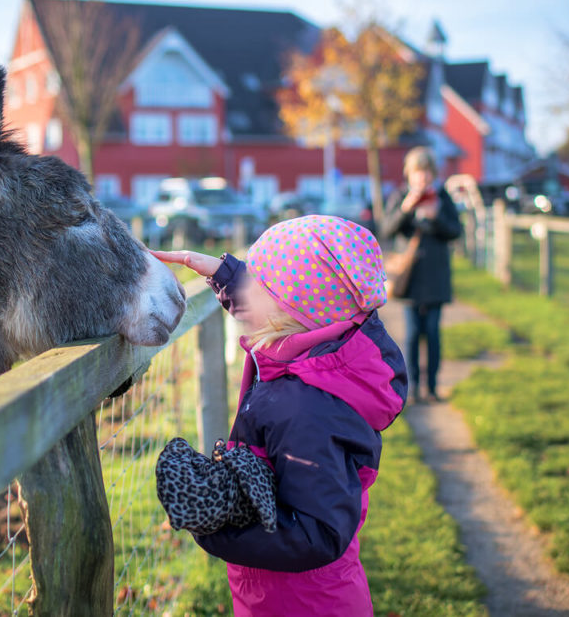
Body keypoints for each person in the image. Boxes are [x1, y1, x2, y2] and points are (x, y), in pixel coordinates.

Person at [153, 214, 408, 617]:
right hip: (290, 592)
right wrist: (226, 275)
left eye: (257, 285)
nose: (248, 293)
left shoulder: (304, 407)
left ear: (287, 312)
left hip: (302, 603)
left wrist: (217, 528)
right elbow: (296, 303)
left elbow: (317, 533)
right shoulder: (314, 357)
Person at [380, 146, 462, 403]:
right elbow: (386, 230)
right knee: (413, 334)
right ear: (409, 174)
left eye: (427, 173)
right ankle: (413, 387)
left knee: (434, 334)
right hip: (410, 279)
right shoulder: (400, 196)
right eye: (418, 173)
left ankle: (433, 386)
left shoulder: (442, 197)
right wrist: (405, 209)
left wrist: (436, 217)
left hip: (436, 276)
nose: (423, 178)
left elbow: (455, 231)